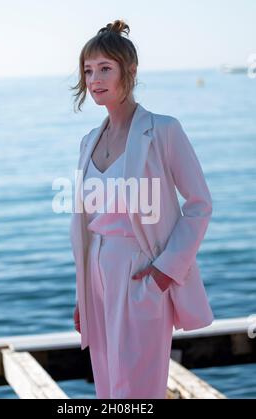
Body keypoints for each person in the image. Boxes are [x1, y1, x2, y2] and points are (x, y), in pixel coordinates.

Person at [69, 19, 214, 399]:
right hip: (97, 278)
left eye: (105, 68)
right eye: (88, 70)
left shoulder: (164, 130)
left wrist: (166, 273)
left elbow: (199, 205)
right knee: (107, 384)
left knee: (137, 389)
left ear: (129, 71)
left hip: (141, 272)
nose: (95, 79)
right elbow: (87, 224)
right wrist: (82, 290)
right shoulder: (88, 142)